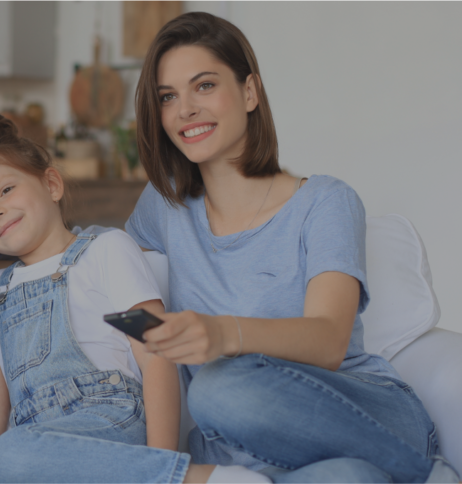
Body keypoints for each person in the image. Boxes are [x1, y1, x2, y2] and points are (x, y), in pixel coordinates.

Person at [125, 12, 460, 484]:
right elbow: (103, 268)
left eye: (204, 86)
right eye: (168, 97)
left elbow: (327, 339)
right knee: (350, 480)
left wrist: (221, 335)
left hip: (360, 411)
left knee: (219, 388)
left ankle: (429, 475)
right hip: (244, 450)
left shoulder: (325, 201)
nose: (185, 110)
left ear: (249, 91)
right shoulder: (164, 206)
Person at [0, 114, 271, 484]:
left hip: (111, 419)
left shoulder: (104, 252)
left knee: (10, 453)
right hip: (42, 448)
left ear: (51, 184)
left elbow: (156, 356)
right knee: (0, 460)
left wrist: (163, 460)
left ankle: (188, 479)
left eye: (5, 190)